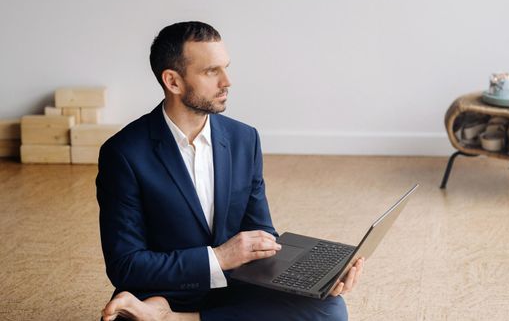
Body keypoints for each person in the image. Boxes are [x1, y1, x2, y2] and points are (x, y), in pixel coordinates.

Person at [97, 21, 364, 321]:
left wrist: (316, 278)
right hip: (165, 287)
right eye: (211, 71)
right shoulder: (123, 153)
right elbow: (126, 265)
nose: (227, 81)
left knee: (329, 309)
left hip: (233, 288)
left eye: (226, 67)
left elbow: (261, 236)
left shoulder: (244, 139)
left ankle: (177, 319)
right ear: (173, 81)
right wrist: (218, 257)